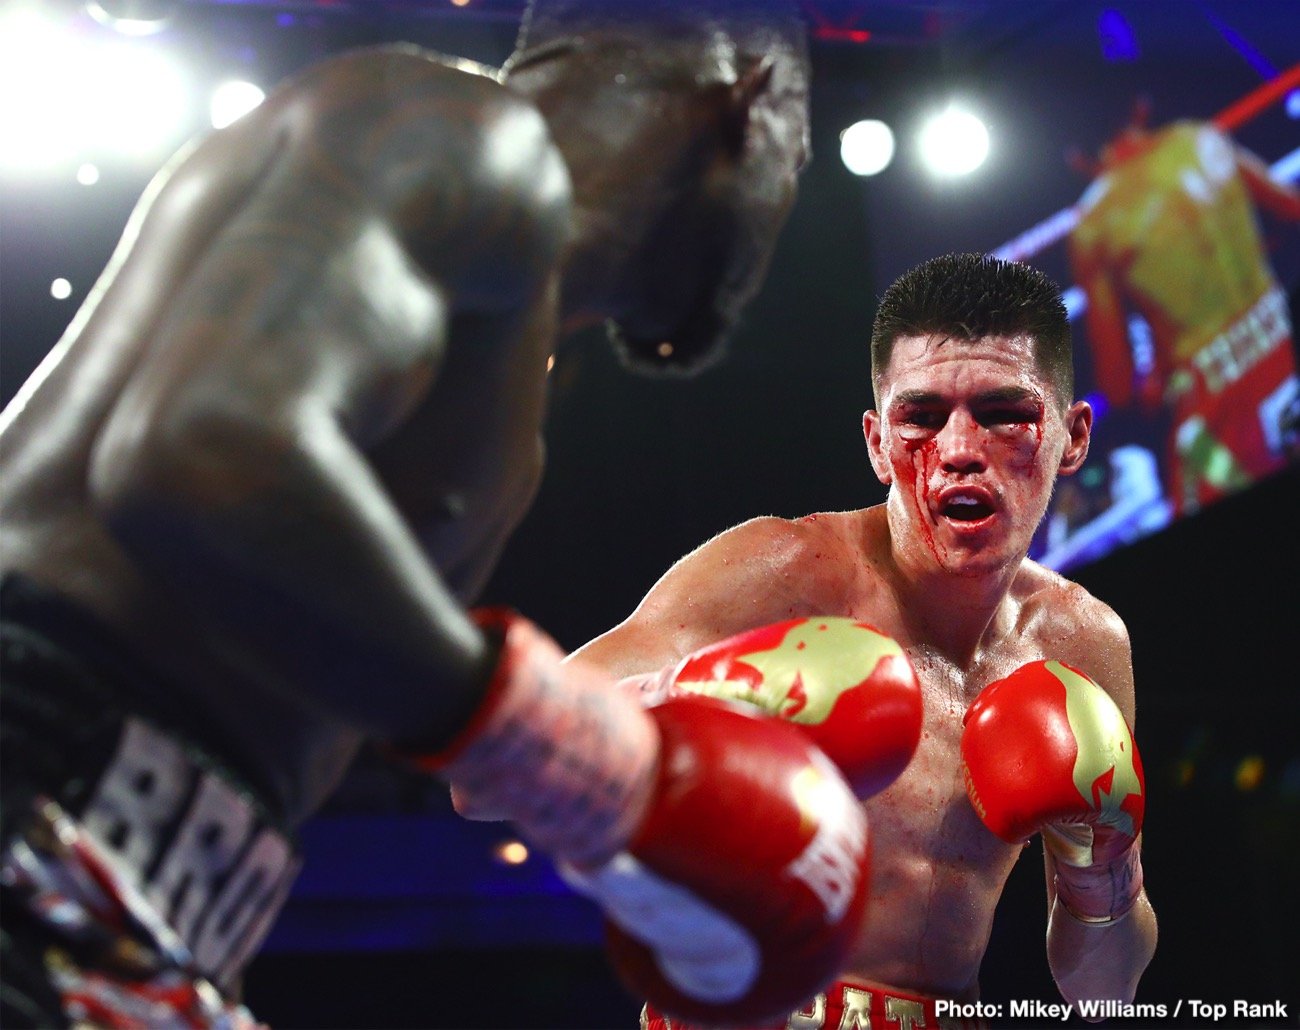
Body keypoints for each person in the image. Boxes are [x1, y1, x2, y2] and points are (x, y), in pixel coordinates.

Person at [0, 3, 872, 1026]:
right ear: (751, 102)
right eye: (797, 164)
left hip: (139, 888)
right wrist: (575, 757)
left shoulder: (508, 384)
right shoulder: (463, 136)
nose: (777, 226)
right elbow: (198, 448)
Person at [570, 253, 1160, 1028]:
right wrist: (707, 693)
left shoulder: (1082, 645)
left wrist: (1104, 866)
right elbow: (478, 781)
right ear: (878, 443)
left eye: (1003, 411)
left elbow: (1104, 996)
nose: (956, 449)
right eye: (921, 417)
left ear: (1074, 435)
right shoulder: (781, 576)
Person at [1067, 102, 1300, 516]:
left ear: (1076, 156)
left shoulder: (1098, 223)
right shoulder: (1203, 137)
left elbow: (1118, 385)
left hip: (1220, 410)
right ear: (1139, 109)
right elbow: (1292, 209)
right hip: (1282, 341)